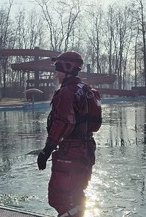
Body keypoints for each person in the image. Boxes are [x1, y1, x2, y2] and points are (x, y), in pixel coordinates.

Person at [37, 51, 102, 217]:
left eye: (58, 69)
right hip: (87, 151)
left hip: (70, 152)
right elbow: (94, 123)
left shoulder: (67, 92)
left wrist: (47, 150)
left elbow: (64, 122)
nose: (56, 73)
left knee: (59, 198)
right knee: (77, 195)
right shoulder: (88, 90)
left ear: (67, 68)